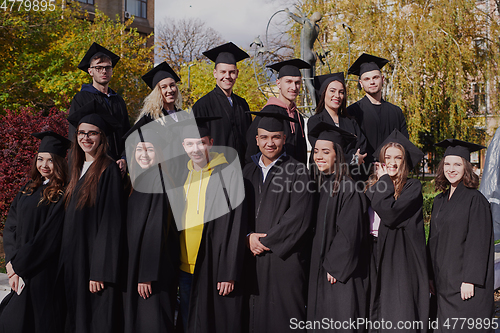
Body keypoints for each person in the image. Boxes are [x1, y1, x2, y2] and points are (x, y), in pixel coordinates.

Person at [243, 111, 313, 332]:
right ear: (257, 140)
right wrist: (246, 237)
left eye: (275, 137)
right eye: (264, 137)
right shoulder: (247, 172)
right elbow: (237, 214)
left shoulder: (299, 171)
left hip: (285, 260)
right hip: (251, 260)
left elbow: (300, 216)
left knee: (284, 317)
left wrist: (266, 241)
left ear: (284, 138)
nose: (269, 142)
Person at [175, 116, 246, 333]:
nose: (195, 149)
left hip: (214, 266)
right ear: (183, 146)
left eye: (201, 142)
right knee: (189, 320)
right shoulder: (181, 174)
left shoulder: (227, 173)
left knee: (213, 322)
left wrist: (228, 271)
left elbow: (236, 225)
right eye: (190, 143)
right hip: (185, 265)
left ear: (211, 142)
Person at [63, 100, 125, 333]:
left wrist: (99, 270)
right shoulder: (75, 169)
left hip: (92, 265)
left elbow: (111, 224)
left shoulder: (108, 170)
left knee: (93, 320)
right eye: (81, 133)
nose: (86, 138)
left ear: (102, 137)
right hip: (74, 260)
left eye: (92, 133)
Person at [0, 131, 70, 333]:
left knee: (36, 322)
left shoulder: (62, 193)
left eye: (50, 160)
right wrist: (11, 264)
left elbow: (48, 237)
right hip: (19, 267)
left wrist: (19, 266)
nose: (44, 165)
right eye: (40, 159)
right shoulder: (27, 189)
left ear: (59, 162)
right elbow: (11, 226)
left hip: (42, 270)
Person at [306, 122, 368, 332]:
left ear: (338, 155)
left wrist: (336, 265)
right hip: (319, 267)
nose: (319, 156)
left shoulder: (349, 187)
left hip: (338, 272)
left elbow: (350, 232)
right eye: (316, 152)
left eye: (325, 152)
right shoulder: (319, 185)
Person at [365, 130, 428, 332]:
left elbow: (390, 215)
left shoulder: (412, 187)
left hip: (398, 256)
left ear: (405, 162)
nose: (392, 162)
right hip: (372, 254)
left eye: (398, 158)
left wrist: (383, 182)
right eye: (387, 157)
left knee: (396, 311)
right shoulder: (369, 186)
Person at [428, 139, 493, 331]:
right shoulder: (439, 201)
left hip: (463, 284)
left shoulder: (476, 200)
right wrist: (430, 276)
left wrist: (470, 279)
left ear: (466, 167)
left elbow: (478, 242)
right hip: (443, 283)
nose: (451, 169)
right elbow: (432, 240)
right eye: (447, 164)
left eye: (457, 164)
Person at [122, 118, 179, 333]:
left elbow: (157, 229)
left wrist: (146, 274)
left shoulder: (159, 179)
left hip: (153, 271)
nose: (143, 154)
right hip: (138, 267)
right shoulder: (137, 180)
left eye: (149, 149)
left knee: (152, 321)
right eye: (139, 149)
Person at [69, 42, 131, 176]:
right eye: (99, 68)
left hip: (118, 166)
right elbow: (74, 135)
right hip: (92, 167)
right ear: (90, 71)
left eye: (108, 67)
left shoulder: (118, 101)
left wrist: (124, 158)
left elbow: (127, 133)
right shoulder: (81, 99)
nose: (104, 71)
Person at [192, 42, 252, 167]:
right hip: (215, 173)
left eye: (231, 72)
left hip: (242, 172)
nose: (227, 76)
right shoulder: (202, 106)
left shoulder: (242, 105)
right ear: (215, 73)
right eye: (223, 72)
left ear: (237, 73)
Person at [347, 53, 408, 173]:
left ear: (382, 79)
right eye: (367, 79)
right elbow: (351, 148)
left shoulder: (396, 112)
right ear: (361, 83)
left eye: (375, 77)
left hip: (392, 173)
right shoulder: (352, 112)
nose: (372, 82)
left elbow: (404, 145)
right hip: (364, 175)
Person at [245, 59, 311, 165]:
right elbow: (251, 152)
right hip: (275, 178)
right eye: (288, 82)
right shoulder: (268, 113)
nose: (294, 87)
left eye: (297, 83)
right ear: (278, 83)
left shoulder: (298, 116)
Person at [308, 72, 368, 179]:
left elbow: (362, 147)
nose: (337, 96)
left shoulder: (350, 122)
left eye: (341, 92)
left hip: (350, 178)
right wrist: (353, 159)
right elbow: (323, 152)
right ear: (323, 93)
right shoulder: (315, 121)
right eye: (332, 91)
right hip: (324, 179)